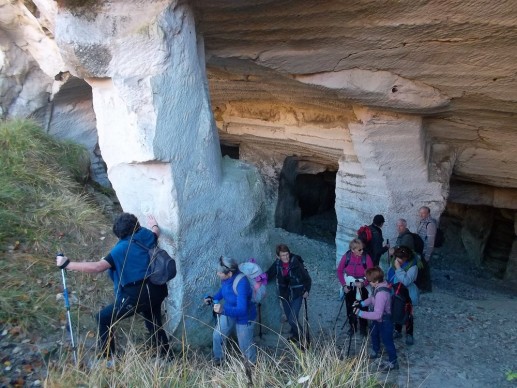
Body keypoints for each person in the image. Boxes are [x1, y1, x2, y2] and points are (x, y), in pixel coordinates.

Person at [55, 213, 170, 360]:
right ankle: (166, 356)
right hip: (157, 288)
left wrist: (67, 264)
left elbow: (97, 267)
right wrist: (153, 223)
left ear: (119, 233)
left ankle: (108, 358)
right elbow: (156, 232)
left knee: (103, 318)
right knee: (153, 321)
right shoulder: (145, 235)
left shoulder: (120, 249)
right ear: (136, 225)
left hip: (137, 294)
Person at [204, 256, 257, 365]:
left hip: (245, 317)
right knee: (217, 336)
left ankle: (252, 367)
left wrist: (223, 310)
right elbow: (224, 290)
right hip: (229, 311)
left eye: (220, 273)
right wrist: (213, 298)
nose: (218, 274)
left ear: (229, 274)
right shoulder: (226, 279)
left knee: (245, 345)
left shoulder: (242, 283)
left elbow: (242, 310)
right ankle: (219, 361)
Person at [354, 267, 398, 371]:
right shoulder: (380, 285)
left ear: (376, 281)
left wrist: (360, 313)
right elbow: (372, 298)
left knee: (387, 341)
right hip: (379, 320)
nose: (367, 283)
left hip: (385, 320)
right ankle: (375, 351)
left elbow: (377, 314)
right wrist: (362, 303)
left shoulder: (382, 294)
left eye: (369, 281)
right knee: (374, 333)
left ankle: (393, 362)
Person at [265, 244, 311, 343]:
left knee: (292, 319)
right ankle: (295, 335)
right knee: (290, 316)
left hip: (297, 293)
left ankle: (305, 339)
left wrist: (307, 290)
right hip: (285, 294)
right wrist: (257, 279)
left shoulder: (296, 263)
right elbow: (268, 274)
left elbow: (307, 278)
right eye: (283, 255)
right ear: (278, 256)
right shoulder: (277, 264)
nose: (286, 257)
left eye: (287, 254)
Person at [336, 238, 374, 336]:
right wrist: (344, 285)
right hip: (349, 283)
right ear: (353, 250)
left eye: (362, 249)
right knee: (350, 306)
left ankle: (363, 327)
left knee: (363, 306)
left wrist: (364, 283)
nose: (362, 251)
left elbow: (372, 273)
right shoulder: (347, 256)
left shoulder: (367, 258)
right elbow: (340, 270)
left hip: (362, 283)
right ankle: (352, 326)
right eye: (359, 250)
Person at [387, 246, 419, 346]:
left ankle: (409, 333)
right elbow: (389, 275)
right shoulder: (394, 262)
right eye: (397, 257)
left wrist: (398, 268)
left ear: (406, 258)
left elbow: (406, 281)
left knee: (407, 312)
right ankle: (397, 330)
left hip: (407, 293)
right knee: (396, 310)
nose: (398, 260)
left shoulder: (413, 267)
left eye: (400, 258)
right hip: (395, 291)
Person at [416, 206, 437, 292]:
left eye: (423, 213)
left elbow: (431, 242)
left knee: (424, 270)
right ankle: (422, 287)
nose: (421, 215)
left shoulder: (430, 224)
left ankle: (426, 288)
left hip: (425, 251)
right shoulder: (423, 222)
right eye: (420, 213)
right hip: (421, 250)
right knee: (421, 269)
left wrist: (428, 255)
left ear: (428, 213)